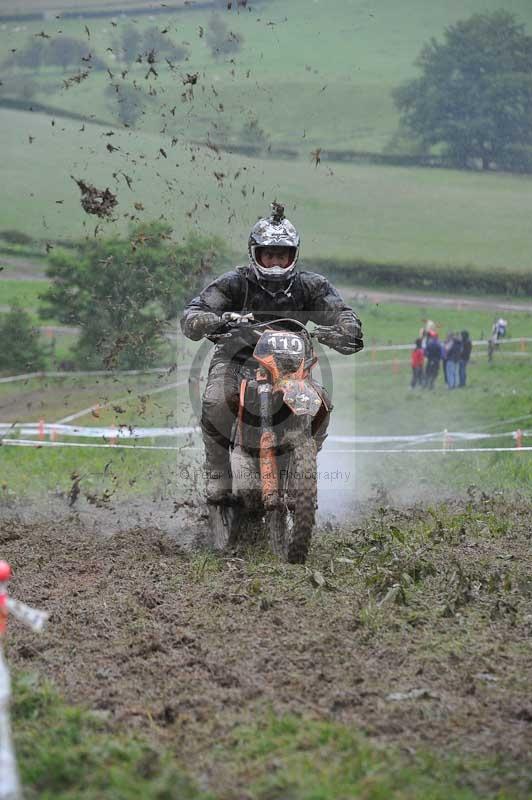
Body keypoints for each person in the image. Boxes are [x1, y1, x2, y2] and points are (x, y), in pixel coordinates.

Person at [180, 204, 364, 503]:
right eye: (269, 254)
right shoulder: (234, 282)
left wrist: (347, 328)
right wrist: (209, 320)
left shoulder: (310, 286)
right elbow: (195, 311)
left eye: (282, 255)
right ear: (256, 254)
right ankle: (218, 474)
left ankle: (303, 464)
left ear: (293, 255)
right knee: (216, 401)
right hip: (236, 359)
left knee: (319, 405)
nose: (276, 262)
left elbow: (340, 311)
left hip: (290, 366)